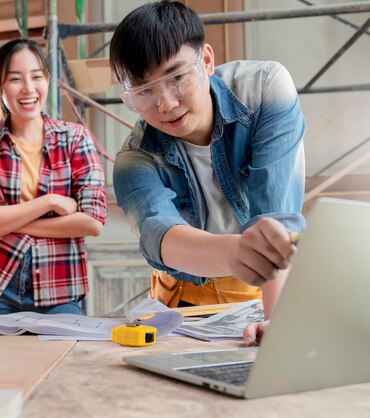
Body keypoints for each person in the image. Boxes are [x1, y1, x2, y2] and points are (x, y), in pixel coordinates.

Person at [109, 1, 306, 343]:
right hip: (183, 304)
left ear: (207, 60)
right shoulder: (134, 159)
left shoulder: (264, 90)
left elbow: (276, 217)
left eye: (177, 78)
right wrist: (235, 252)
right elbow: (161, 235)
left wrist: (276, 322)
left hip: (266, 289)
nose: (166, 103)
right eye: (144, 92)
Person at [0, 39, 107, 314]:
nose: (28, 88)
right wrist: (50, 202)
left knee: (63, 356)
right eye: (15, 79)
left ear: (47, 80)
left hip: (59, 286)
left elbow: (92, 221)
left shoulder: (75, 138)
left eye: (36, 77)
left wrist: (4, 216)